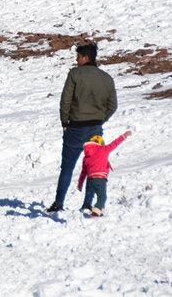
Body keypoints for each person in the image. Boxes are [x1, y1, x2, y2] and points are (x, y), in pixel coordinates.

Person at [47, 43, 118, 213]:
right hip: (95, 129)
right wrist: (100, 119)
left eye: (77, 57)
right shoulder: (106, 78)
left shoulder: (74, 74)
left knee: (67, 167)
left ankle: (58, 203)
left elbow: (65, 101)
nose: (76, 61)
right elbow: (113, 105)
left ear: (85, 57)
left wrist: (65, 123)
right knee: (94, 168)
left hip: (75, 128)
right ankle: (87, 203)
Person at [78, 130, 132, 217]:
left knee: (100, 196)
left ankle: (100, 211)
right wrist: (124, 135)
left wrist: (80, 184)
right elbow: (115, 143)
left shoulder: (86, 157)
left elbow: (83, 172)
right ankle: (95, 212)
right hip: (100, 177)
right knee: (102, 197)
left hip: (91, 180)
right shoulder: (104, 149)